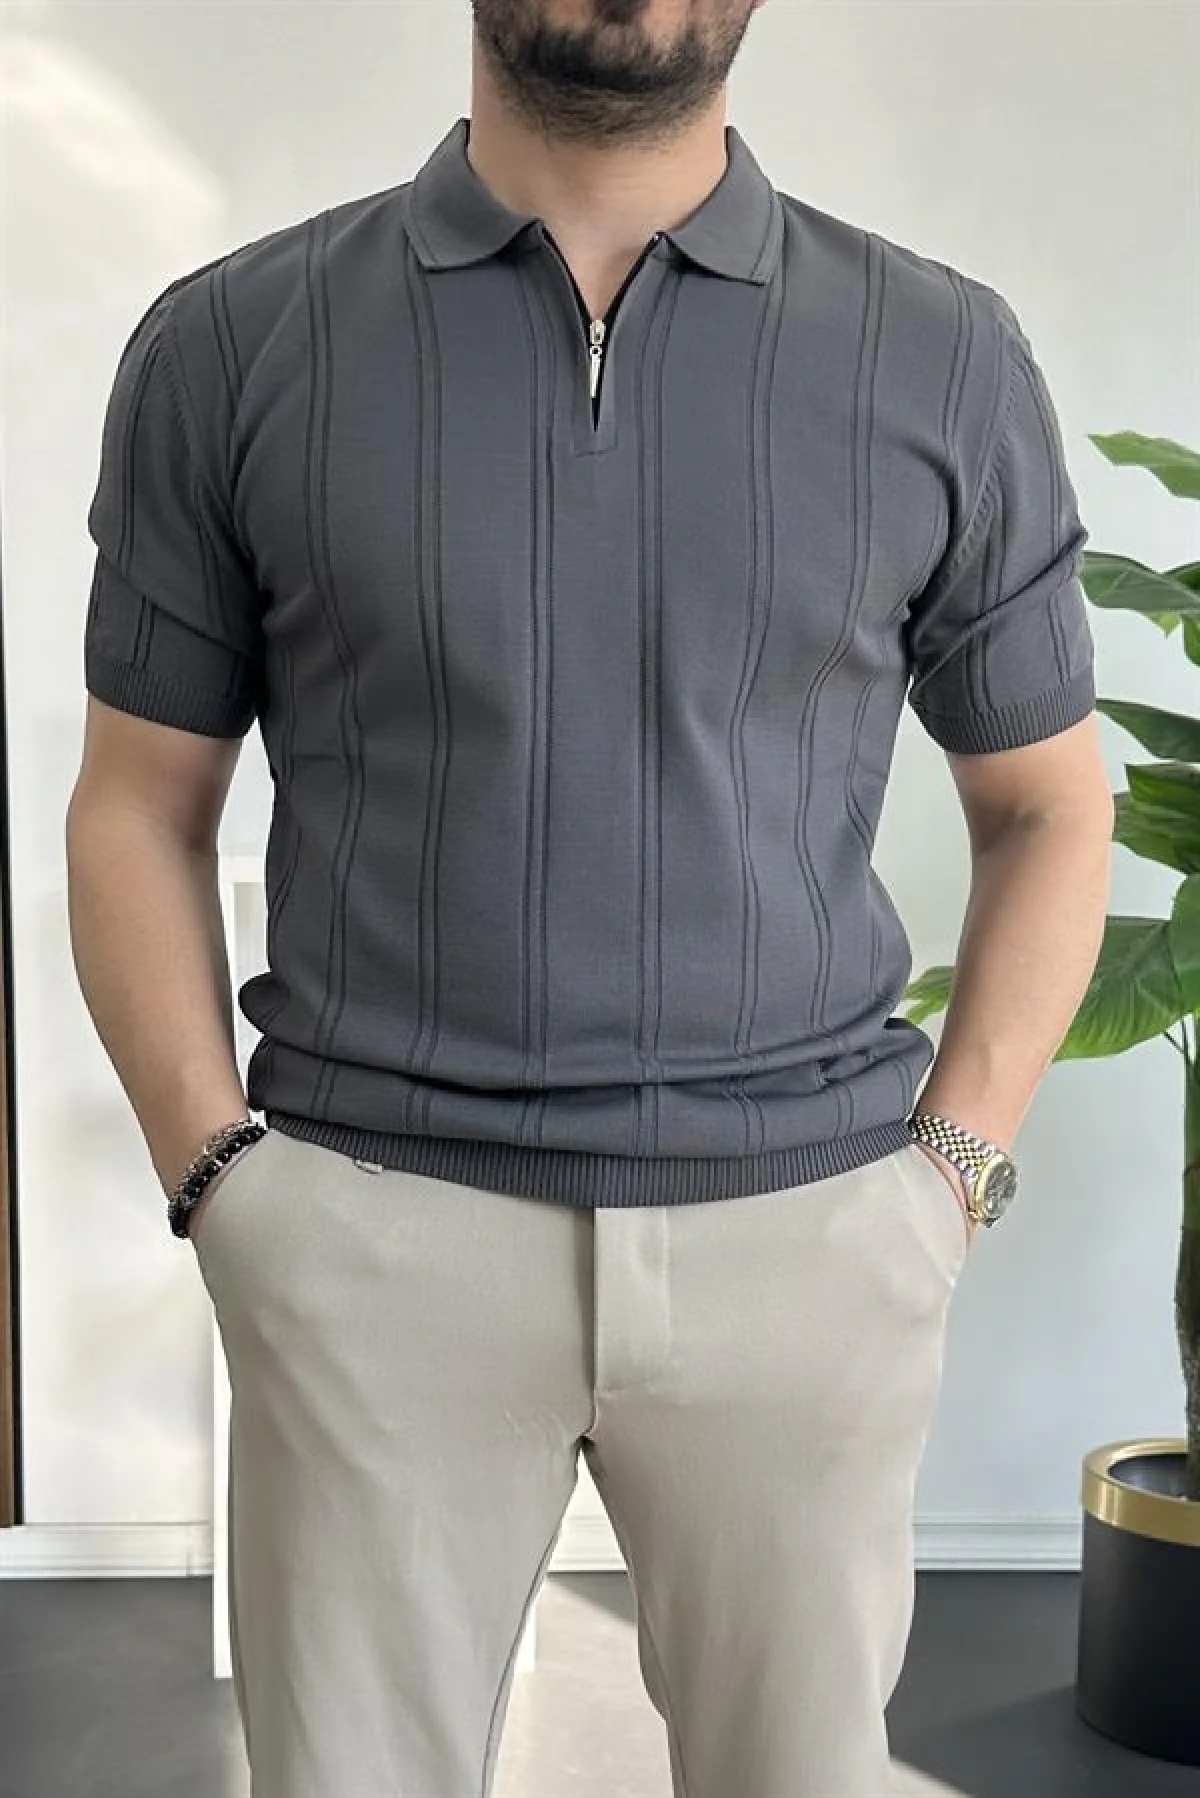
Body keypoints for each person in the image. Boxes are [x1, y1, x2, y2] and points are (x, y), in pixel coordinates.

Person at [65, 2, 1116, 1793]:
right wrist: (225, 1186)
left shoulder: (939, 357)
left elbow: (1047, 808)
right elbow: (137, 808)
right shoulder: (234, 344)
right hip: (373, 1239)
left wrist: (943, 1183)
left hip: (805, 1238)